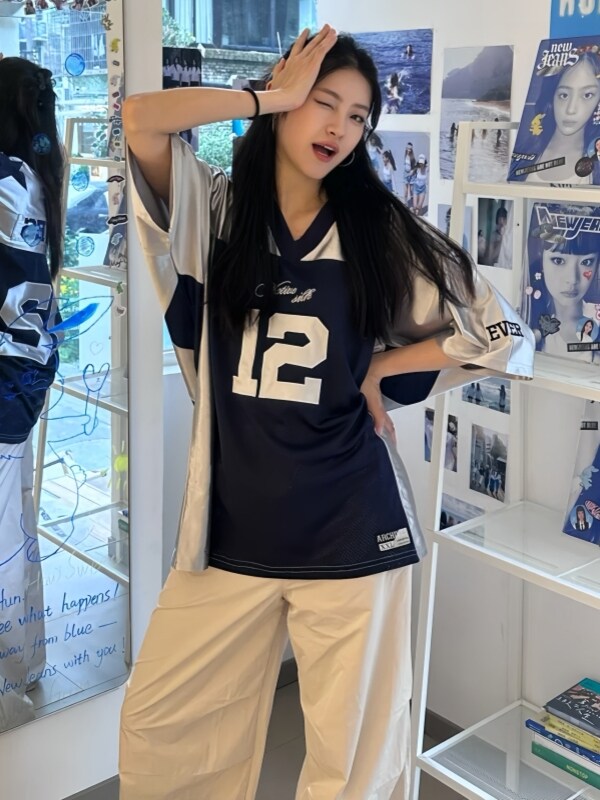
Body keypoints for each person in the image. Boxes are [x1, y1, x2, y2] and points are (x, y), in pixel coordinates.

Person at [120, 26, 534, 799]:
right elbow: (140, 118)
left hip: (354, 534)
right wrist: (265, 96)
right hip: (229, 538)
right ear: (284, 97)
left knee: (354, 772)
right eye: (322, 101)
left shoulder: (379, 232)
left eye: (358, 115)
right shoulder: (216, 211)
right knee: (165, 741)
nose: (339, 126)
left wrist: (383, 364)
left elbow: (508, 336)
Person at [0, 56, 63, 729]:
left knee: (5, 538)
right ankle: (23, 664)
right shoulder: (35, 176)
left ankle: (15, 671)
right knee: (15, 528)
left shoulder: (5, 179)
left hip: (5, 382)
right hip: (22, 378)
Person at [509, 50, 600, 184]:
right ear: (551, 98)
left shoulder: (596, 165)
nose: (571, 109)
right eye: (564, 95)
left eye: (587, 95)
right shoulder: (524, 152)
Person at [522, 217, 600, 362]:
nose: (572, 279)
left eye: (586, 262)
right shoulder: (528, 318)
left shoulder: (595, 318)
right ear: (541, 260)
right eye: (558, 260)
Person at [403, 141, 416, 205]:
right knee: (405, 191)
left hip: (412, 175)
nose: (408, 150)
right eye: (408, 148)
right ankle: (405, 203)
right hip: (406, 174)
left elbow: (415, 166)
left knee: (411, 190)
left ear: (411, 149)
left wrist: (412, 171)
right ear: (406, 148)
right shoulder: (405, 155)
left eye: (410, 149)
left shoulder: (412, 157)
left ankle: (412, 203)